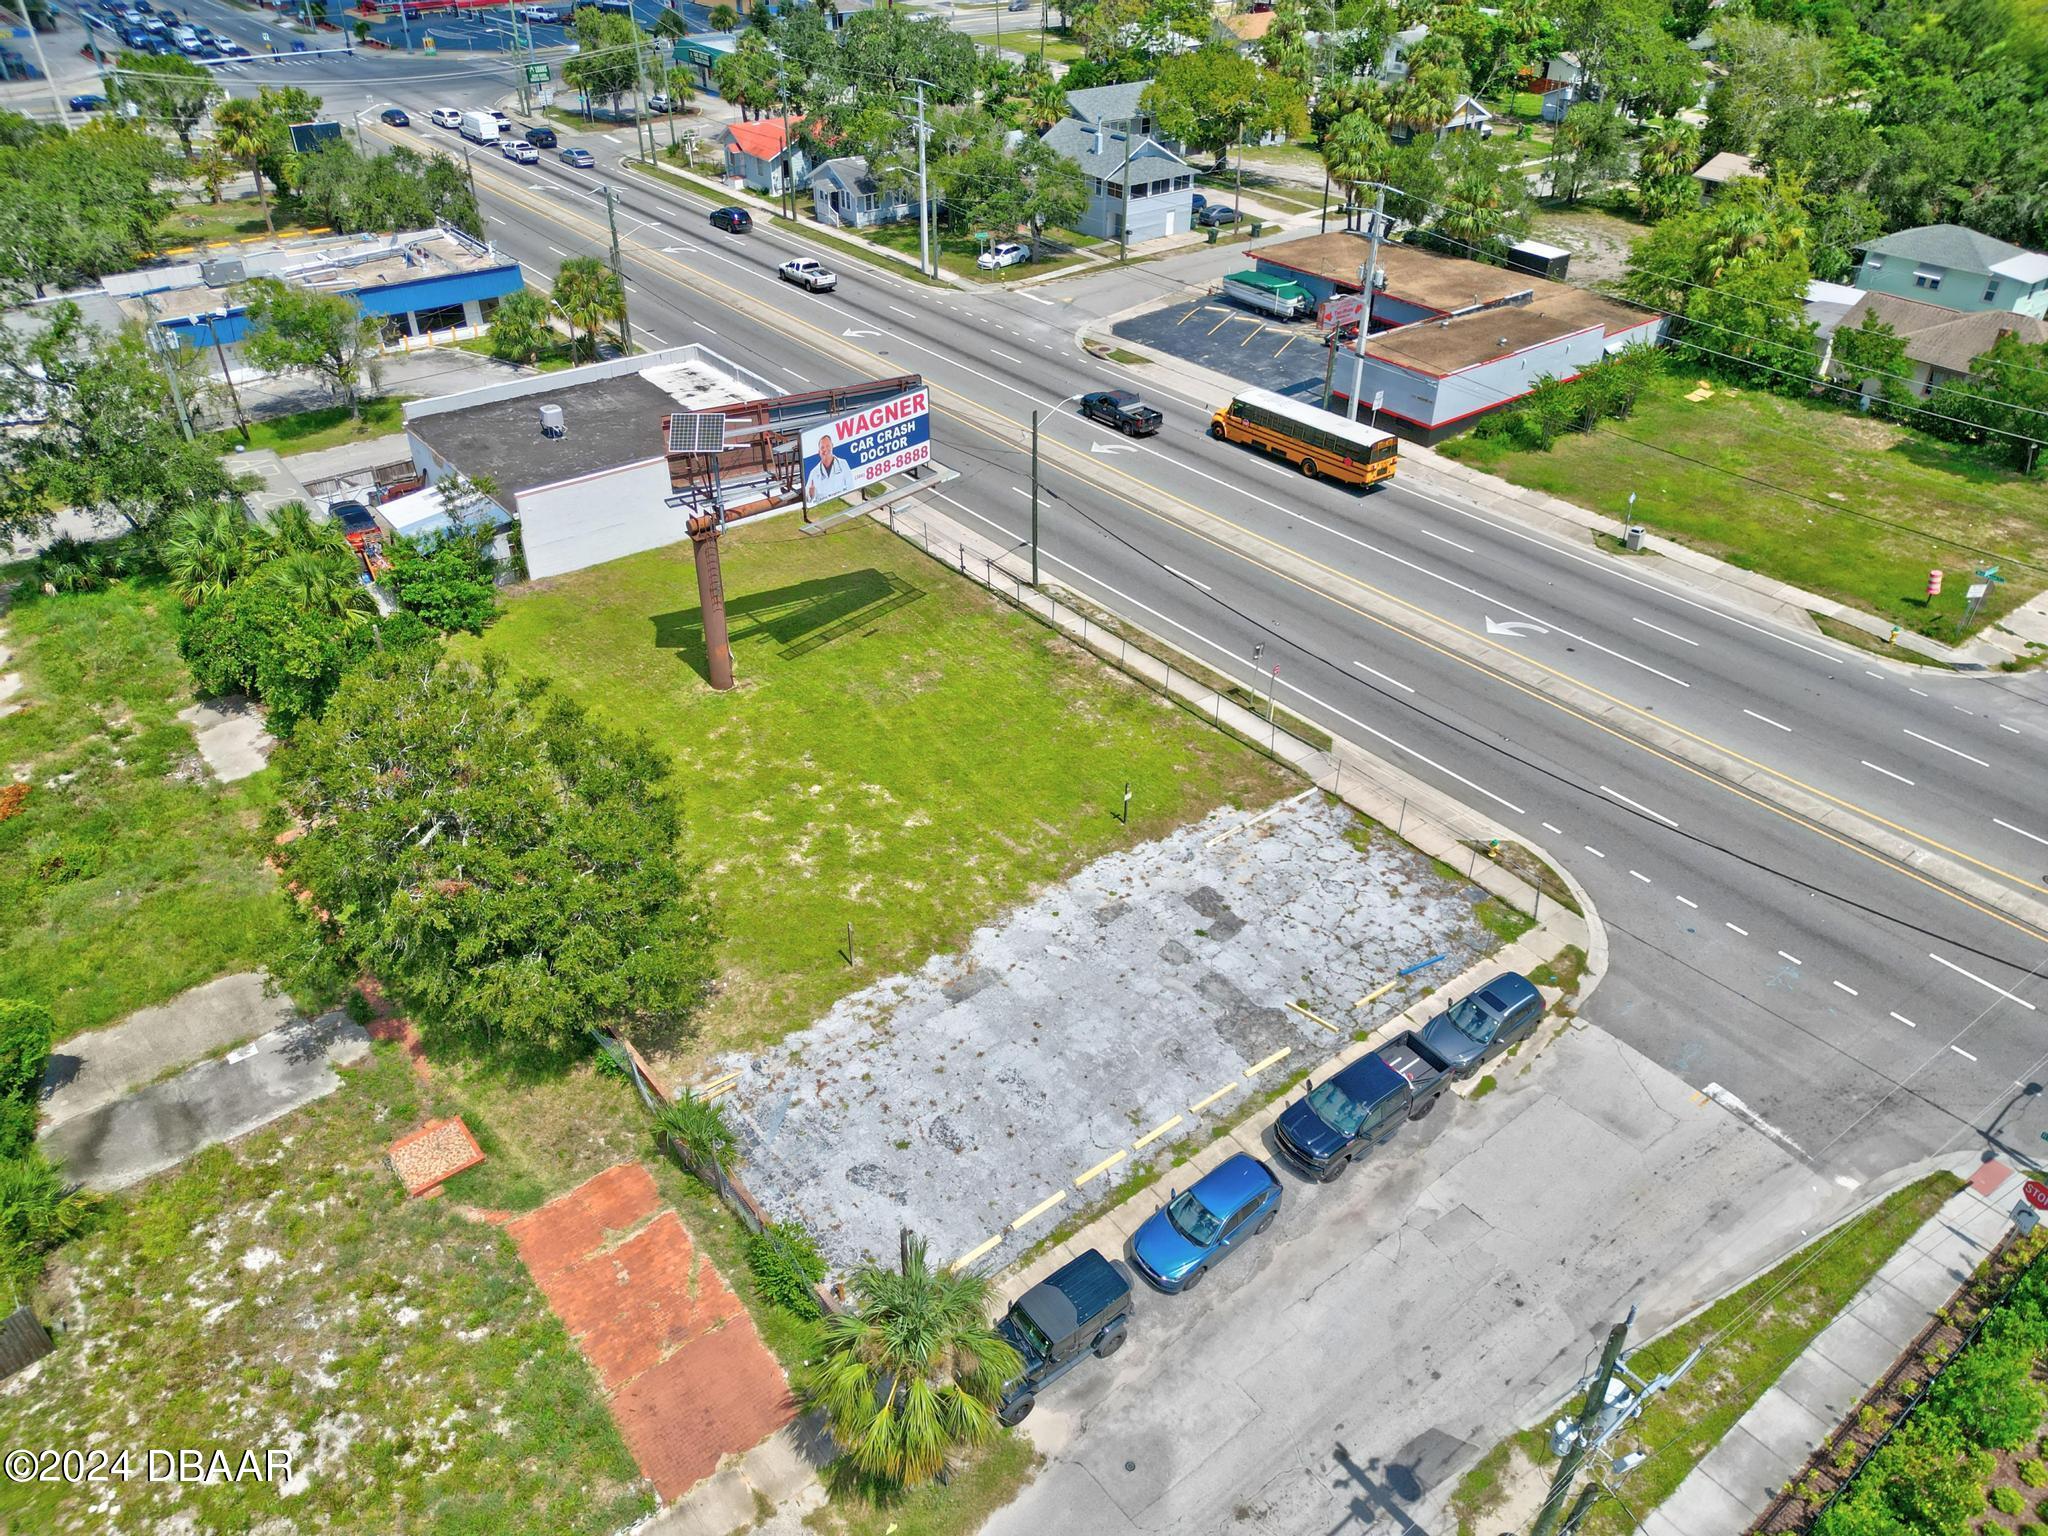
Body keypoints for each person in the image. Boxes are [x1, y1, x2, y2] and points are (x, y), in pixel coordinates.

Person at [803, 431, 855, 504]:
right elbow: (807, 499)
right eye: (822, 447)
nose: (825, 450)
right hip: (823, 507)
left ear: (832, 446)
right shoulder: (814, 472)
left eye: (828, 446)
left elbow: (851, 487)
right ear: (819, 452)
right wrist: (811, 494)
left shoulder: (843, 464)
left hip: (841, 503)